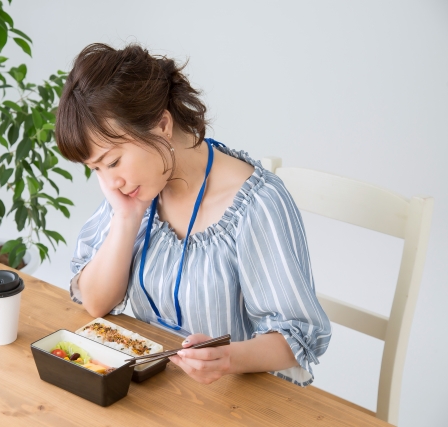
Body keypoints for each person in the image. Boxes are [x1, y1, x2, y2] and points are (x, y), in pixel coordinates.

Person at [54, 43, 331, 387]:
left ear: (162, 125)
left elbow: (299, 338)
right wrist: (127, 219)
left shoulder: (255, 204)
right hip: (157, 390)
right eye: (95, 170)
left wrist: (227, 358)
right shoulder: (139, 189)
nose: (110, 183)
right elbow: (95, 302)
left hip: (236, 398)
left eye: (112, 162)